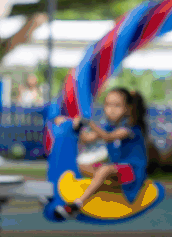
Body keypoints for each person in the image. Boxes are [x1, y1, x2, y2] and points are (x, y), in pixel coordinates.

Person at [53, 87, 148, 220]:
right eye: (108, 105)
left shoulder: (130, 129)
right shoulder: (108, 126)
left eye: (117, 105)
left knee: (104, 169)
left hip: (132, 171)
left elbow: (108, 137)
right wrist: (71, 125)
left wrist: (88, 122)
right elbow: (86, 139)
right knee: (81, 166)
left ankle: (77, 205)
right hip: (117, 170)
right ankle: (92, 190)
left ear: (128, 108)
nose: (111, 109)